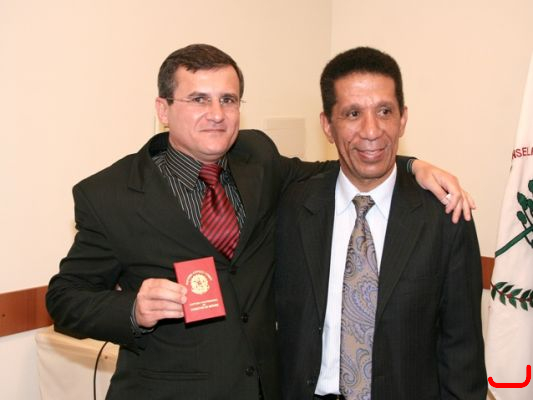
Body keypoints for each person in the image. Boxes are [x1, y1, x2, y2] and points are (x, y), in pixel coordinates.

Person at [46, 44, 474, 400]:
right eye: (199, 99)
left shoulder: (259, 161)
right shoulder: (111, 195)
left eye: (228, 100)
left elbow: (349, 164)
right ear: (163, 108)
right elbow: (65, 299)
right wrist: (133, 310)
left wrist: (413, 165)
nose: (217, 114)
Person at [275, 47, 487, 400]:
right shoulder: (292, 208)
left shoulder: (444, 217)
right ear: (327, 125)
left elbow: (462, 352)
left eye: (384, 111)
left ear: (403, 119)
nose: (371, 131)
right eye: (353, 113)